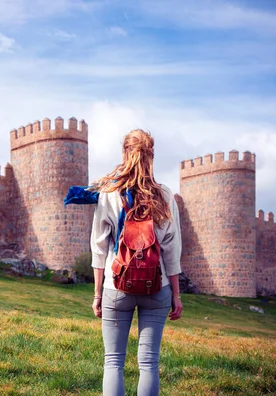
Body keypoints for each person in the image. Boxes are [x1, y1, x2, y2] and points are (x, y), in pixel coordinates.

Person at [90, 129, 183, 396]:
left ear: (125, 153)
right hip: (158, 287)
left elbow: (99, 246)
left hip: (116, 287)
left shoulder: (109, 193)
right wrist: (176, 294)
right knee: (149, 364)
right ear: (151, 156)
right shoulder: (164, 196)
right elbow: (171, 249)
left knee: (113, 362)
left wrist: (97, 294)